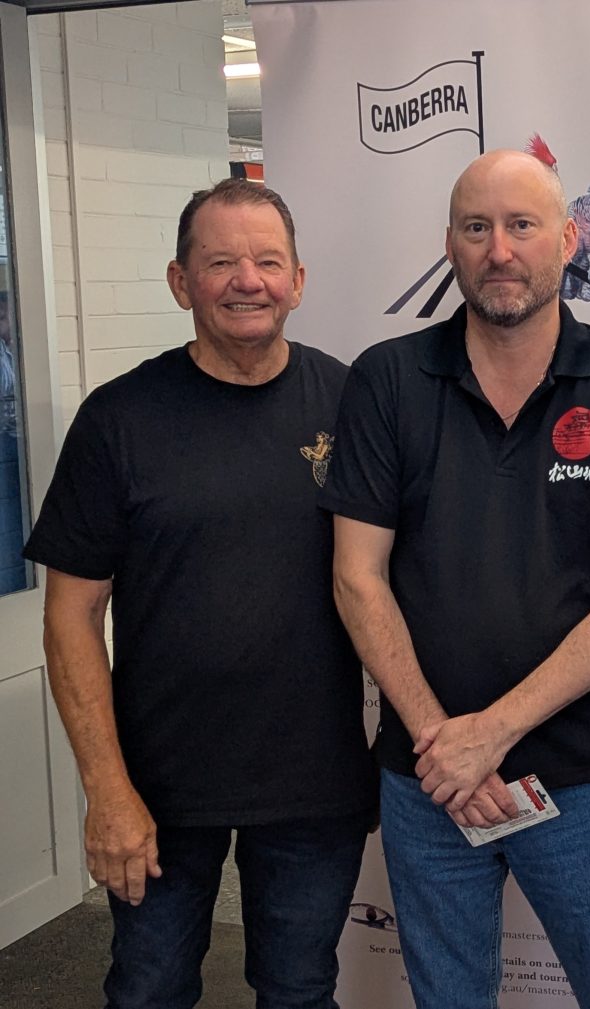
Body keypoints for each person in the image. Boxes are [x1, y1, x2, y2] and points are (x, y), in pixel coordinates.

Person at [320, 149, 590, 1009]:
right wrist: (444, 741)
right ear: (450, 243)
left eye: (522, 226)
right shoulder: (387, 380)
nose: (500, 250)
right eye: (477, 227)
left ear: (569, 240)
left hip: (586, 780)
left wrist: (490, 733)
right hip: (428, 778)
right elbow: (356, 577)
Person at [23, 179, 377, 1009]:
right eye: (219, 263)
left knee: (300, 990)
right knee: (148, 991)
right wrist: (106, 789)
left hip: (314, 782)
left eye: (267, 262)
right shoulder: (118, 420)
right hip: (156, 786)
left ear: (298, 280)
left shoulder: (353, 405)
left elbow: (400, 582)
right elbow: (71, 615)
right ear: (181, 282)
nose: (246, 280)